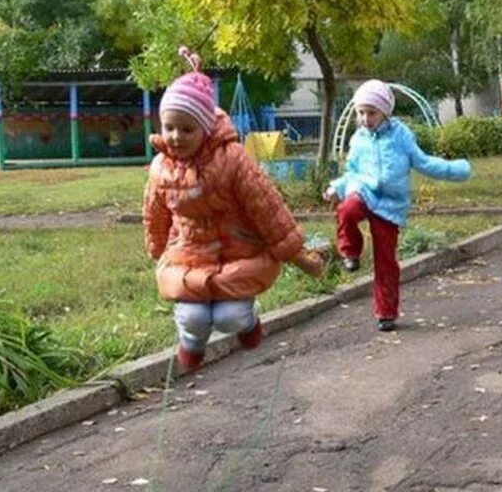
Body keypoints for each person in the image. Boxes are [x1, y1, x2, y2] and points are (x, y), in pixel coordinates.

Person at [143, 47, 324, 372]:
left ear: (205, 129)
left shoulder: (233, 159)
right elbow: (155, 212)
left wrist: (298, 255)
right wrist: (157, 247)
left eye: (187, 129)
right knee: (194, 318)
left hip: (239, 252)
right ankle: (192, 346)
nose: (176, 137)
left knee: (229, 316)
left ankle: (248, 323)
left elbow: (267, 207)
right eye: (169, 127)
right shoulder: (160, 168)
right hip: (189, 254)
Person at [323, 79, 471, 332]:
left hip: (390, 204)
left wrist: (456, 170)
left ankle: (386, 313)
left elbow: (424, 163)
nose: (365, 118)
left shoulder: (401, 136)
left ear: (385, 113)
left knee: (386, 260)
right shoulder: (358, 139)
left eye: (372, 113)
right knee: (347, 209)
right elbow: (352, 172)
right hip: (363, 190)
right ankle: (351, 252)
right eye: (361, 113)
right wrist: (336, 187)